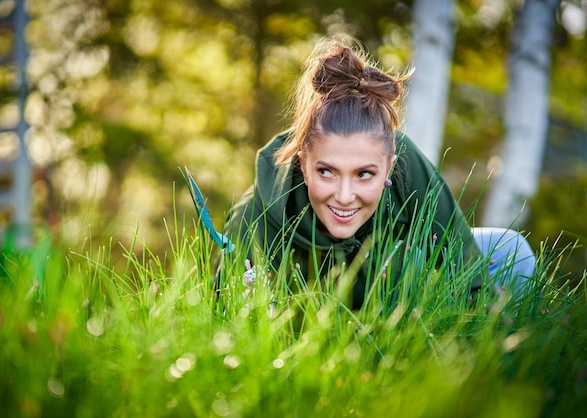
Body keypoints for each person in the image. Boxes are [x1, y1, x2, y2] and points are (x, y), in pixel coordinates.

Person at [224, 38, 535, 308]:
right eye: (327, 172)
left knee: (511, 250)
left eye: (364, 175)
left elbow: (467, 269)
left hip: (397, 302)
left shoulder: (406, 166)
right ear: (304, 165)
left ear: (389, 166)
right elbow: (225, 317)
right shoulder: (256, 218)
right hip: (307, 334)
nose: (344, 197)